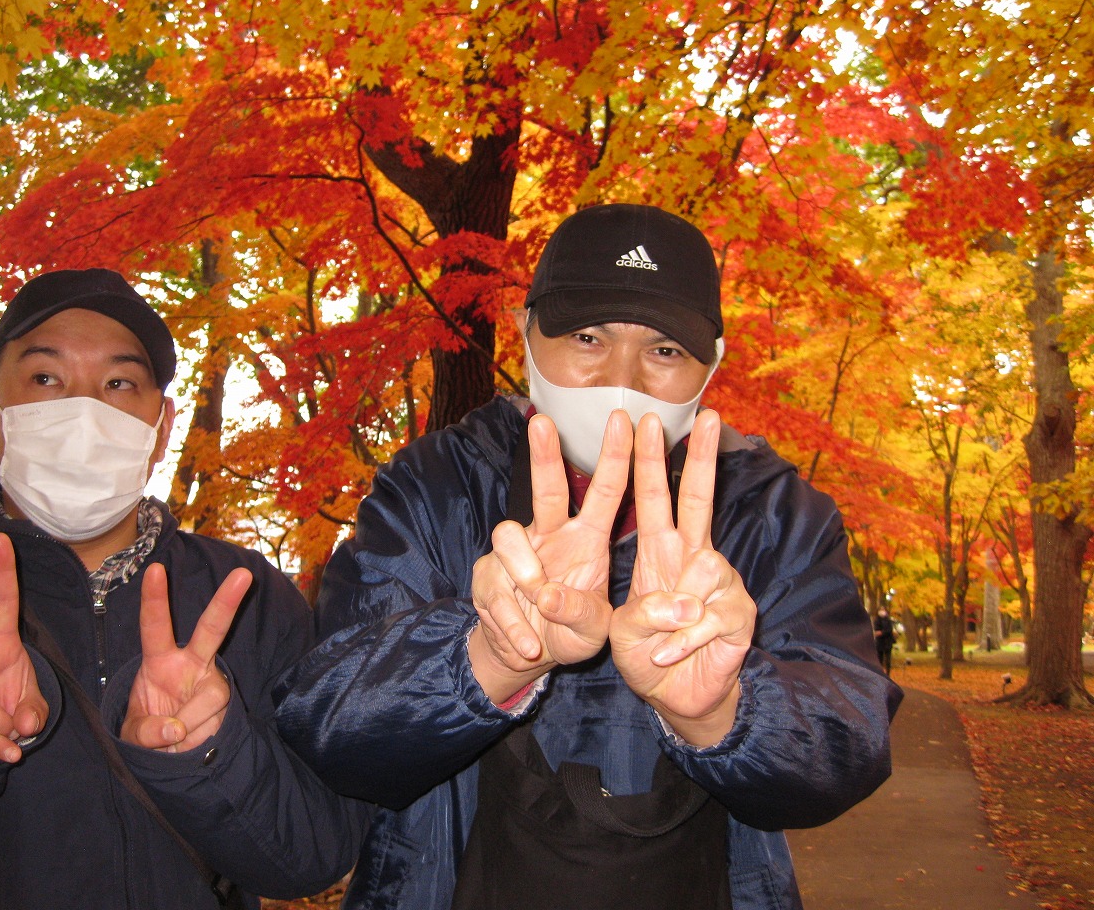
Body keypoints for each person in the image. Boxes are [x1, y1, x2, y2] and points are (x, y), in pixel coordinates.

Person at [275, 204, 903, 910]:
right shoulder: (434, 487)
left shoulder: (776, 514)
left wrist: (723, 712)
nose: (621, 378)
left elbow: (847, 743)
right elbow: (329, 728)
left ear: (711, 366)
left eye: (665, 350)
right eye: (586, 336)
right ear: (523, 334)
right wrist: (486, 657)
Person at [0, 268, 369, 910]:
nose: (84, 410)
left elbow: (315, 856)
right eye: (46, 378)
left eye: (119, 383)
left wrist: (206, 756)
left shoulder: (245, 598)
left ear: (160, 429)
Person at [874, 606, 897, 675]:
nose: (882, 611)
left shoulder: (888, 620)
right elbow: (876, 630)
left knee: (888, 659)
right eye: (881, 609)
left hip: (888, 642)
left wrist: (882, 632)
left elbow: (889, 630)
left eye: (883, 609)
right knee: (879, 659)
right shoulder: (876, 620)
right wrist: (880, 632)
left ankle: (888, 673)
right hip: (880, 642)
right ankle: (880, 673)